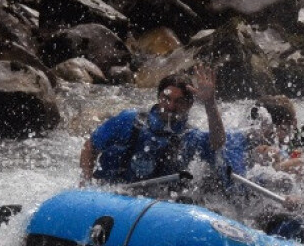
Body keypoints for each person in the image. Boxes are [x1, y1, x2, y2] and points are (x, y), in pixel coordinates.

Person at [79, 65, 232, 187]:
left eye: (178, 101)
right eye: (166, 99)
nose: (171, 106)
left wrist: (210, 103)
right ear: (159, 97)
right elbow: (91, 146)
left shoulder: (189, 136)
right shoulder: (129, 120)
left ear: (190, 104)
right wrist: (85, 181)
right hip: (111, 190)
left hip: (155, 206)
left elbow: (218, 143)